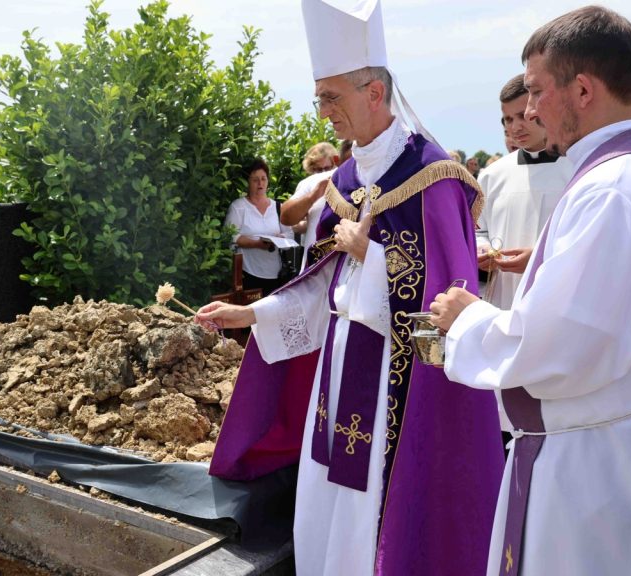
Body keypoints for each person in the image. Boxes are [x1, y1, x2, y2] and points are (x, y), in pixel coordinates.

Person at [197, 1, 503, 574]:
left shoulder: (433, 178)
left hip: (401, 382)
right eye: (320, 98)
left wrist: (374, 252)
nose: (323, 113)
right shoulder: (342, 181)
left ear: (374, 93)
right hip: (338, 371)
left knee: (378, 520)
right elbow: (321, 286)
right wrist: (254, 314)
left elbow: (449, 305)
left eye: (331, 97)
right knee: (327, 509)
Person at [430, 7, 631, 576]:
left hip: (596, 467)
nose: (530, 110)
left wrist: (466, 319)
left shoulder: (612, 190)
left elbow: (558, 347)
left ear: (583, 89)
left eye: (538, 92)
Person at [476, 74, 572, 310]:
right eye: (507, 119)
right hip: (503, 299)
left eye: (522, 116)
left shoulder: (575, 169)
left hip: (558, 298)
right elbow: (480, 230)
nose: (515, 127)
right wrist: (484, 251)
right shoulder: (492, 174)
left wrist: (540, 257)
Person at [223, 158, 293, 296]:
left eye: (263, 179)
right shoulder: (239, 207)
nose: (260, 184)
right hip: (248, 273)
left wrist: (280, 238)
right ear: (247, 182)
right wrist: (257, 244)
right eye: (255, 180)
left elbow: (290, 234)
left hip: (276, 274)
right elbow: (230, 236)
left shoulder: (279, 207)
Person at [279, 142, 338, 274]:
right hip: (315, 256)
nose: (323, 173)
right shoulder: (308, 185)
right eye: (318, 170)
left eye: (327, 168)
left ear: (335, 163)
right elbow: (291, 222)